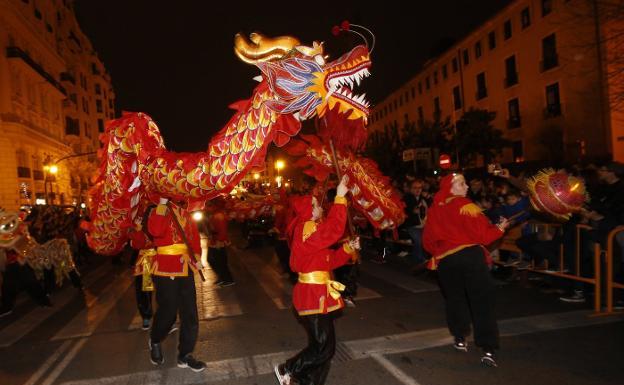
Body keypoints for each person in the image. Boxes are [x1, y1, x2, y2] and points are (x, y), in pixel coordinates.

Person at [274, 176, 360, 385]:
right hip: (312, 296)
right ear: (309, 210)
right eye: (315, 204)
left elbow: (327, 261)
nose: (320, 206)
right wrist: (339, 198)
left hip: (319, 294)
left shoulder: (311, 229)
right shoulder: (307, 228)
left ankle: (309, 382)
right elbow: (333, 231)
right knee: (324, 348)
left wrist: (348, 249)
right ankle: (288, 368)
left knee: (322, 348)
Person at [423, 173, 510, 367]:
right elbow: (483, 235)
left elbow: (428, 242)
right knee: (481, 301)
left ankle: (460, 338)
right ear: (451, 188)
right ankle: (487, 347)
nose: (467, 187)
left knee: (455, 299)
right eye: (462, 184)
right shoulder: (465, 205)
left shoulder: (435, 209)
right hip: (470, 258)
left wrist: (443, 249)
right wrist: (500, 228)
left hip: (446, 261)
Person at [147, 197, 206, 372]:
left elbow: (193, 237)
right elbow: (156, 231)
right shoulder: (157, 209)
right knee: (169, 311)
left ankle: (185, 354)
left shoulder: (186, 212)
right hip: (165, 267)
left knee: (190, 312)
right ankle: (155, 338)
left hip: (185, 265)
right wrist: (162, 205)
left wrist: (197, 257)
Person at [128, 207, 156, 331]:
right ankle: (146, 316)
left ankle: (168, 318)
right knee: (145, 290)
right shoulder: (140, 226)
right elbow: (137, 245)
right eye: (150, 213)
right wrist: (137, 232)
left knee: (165, 291)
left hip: (162, 260)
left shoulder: (162, 222)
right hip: (145, 262)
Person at [207, 198, 234, 287]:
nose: (207, 207)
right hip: (214, 240)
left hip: (218, 241)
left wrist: (220, 240)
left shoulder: (219, 215)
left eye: (209, 205)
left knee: (219, 261)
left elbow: (223, 231)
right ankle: (222, 277)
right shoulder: (213, 215)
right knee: (213, 260)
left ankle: (228, 279)